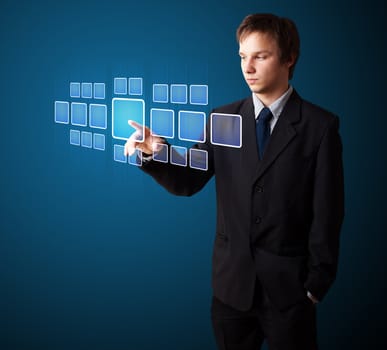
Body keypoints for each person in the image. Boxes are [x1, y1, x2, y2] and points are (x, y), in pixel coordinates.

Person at [124, 13, 344, 350]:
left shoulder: (320, 127)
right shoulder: (223, 119)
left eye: (261, 56)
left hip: (290, 291)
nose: (248, 67)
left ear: (289, 58)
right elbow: (188, 181)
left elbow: (328, 211)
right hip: (231, 290)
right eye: (243, 56)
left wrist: (316, 283)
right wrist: (157, 153)